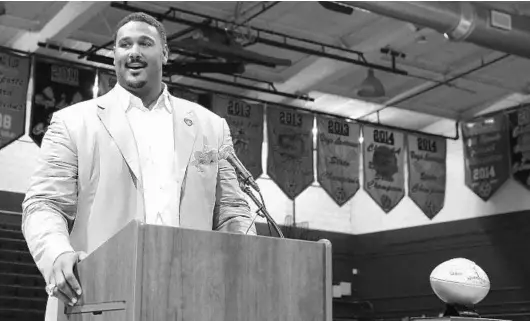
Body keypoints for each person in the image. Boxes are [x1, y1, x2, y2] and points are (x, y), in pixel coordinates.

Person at [21, 12, 257, 320]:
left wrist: (245, 265)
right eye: (124, 44)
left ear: (165, 54)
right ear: (115, 55)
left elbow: (232, 213)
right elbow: (44, 204)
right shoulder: (73, 122)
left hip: (193, 298)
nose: (133, 52)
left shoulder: (211, 127)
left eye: (145, 43)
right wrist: (57, 253)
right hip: (99, 296)